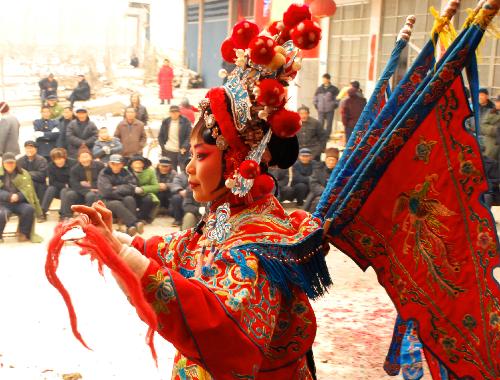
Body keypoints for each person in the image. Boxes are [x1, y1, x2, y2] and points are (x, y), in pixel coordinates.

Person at [62, 13, 330, 377]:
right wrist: (119, 242)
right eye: (190, 155)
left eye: (201, 156)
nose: (188, 167)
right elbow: (186, 248)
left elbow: (222, 329)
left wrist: (124, 253)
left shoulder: (260, 239)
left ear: (238, 160)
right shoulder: (231, 214)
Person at [97, 154, 144, 236]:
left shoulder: (126, 172)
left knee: (130, 199)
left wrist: (116, 188)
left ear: (122, 164)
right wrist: (122, 189)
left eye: (118, 164)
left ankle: (130, 228)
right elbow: (106, 192)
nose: (115, 166)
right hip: (106, 200)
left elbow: (132, 187)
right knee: (116, 203)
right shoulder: (104, 173)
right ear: (109, 164)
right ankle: (135, 223)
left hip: (121, 198)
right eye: (113, 164)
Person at [0, 152, 43, 243]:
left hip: (19, 202)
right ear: (3, 164)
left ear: (15, 163)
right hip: (3, 203)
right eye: (7, 163)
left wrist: (18, 196)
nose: (10, 165)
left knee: (29, 209)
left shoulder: (23, 173)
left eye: (12, 162)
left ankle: (24, 233)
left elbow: (29, 190)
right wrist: (8, 196)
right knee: (1, 213)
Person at [40, 148, 76, 221]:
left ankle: (63, 214)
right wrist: (64, 185)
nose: (59, 161)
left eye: (60, 159)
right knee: (51, 189)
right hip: (58, 187)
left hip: (71, 188)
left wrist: (66, 185)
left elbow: (74, 179)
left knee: (64, 191)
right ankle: (43, 212)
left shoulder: (73, 164)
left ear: (64, 157)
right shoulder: (50, 166)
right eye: (56, 159)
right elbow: (52, 182)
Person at [67, 147, 104, 215]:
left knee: (91, 195)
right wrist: (88, 190)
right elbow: (74, 184)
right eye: (82, 157)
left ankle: (87, 215)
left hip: (97, 190)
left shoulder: (100, 165)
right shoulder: (74, 169)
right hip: (82, 191)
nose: (85, 159)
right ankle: (66, 216)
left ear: (91, 157)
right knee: (70, 194)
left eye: (86, 157)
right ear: (79, 159)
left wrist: (91, 186)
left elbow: (103, 180)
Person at [305, 147, 339, 213]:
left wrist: (330, 192)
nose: (331, 162)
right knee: (314, 199)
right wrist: (325, 191)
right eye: (329, 160)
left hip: (333, 195)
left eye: (333, 160)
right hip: (320, 193)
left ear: (337, 161)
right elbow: (313, 183)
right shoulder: (319, 169)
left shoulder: (340, 172)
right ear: (325, 160)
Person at [158, 105, 191, 171]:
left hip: (182, 151)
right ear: (169, 113)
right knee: (172, 171)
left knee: (184, 170)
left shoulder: (185, 121)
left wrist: (184, 147)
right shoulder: (165, 121)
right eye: (172, 112)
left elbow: (189, 136)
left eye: (176, 112)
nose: (174, 114)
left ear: (179, 113)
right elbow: (160, 136)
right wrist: (163, 147)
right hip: (169, 150)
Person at [128, 155, 160, 224]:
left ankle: (141, 218)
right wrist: (132, 188)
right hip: (129, 192)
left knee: (148, 199)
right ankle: (130, 218)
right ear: (131, 164)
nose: (138, 165)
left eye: (140, 163)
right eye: (136, 163)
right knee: (129, 199)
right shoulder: (125, 170)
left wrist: (143, 189)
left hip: (143, 193)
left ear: (143, 164)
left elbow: (156, 186)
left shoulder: (150, 171)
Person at [16, 141, 48, 206]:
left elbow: (42, 175)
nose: (29, 150)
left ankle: (41, 210)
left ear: (36, 149)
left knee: (39, 186)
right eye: (27, 148)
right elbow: (18, 173)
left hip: (39, 183)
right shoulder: (20, 160)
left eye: (31, 148)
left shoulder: (42, 160)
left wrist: (27, 174)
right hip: (24, 183)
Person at [313, 73, 339, 143]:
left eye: (324, 79)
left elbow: (337, 98)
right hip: (320, 109)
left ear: (328, 79)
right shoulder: (319, 88)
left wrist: (334, 105)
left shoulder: (334, 89)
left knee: (329, 124)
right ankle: (321, 136)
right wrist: (316, 104)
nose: (323, 80)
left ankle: (327, 137)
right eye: (323, 78)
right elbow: (315, 97)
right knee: (320, 123)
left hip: (330, 109)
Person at [479, 94, 500, 161]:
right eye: (496, 101)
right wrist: (496, 130)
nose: (496, 103)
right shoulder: (491, 112)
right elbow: (482, 126)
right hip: (491, 147)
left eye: (498, 101)